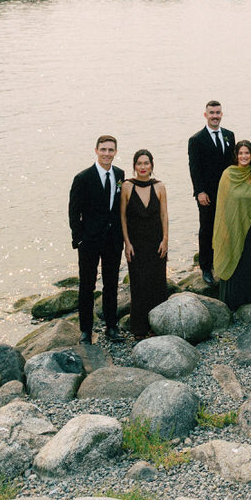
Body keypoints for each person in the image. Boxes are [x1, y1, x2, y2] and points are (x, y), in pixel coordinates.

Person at [68, 135, 126, 344]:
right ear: (96, 150)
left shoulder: (120, 174)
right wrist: (79, 240)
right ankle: (85, 330)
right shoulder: (82, 178)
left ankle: (111, 326)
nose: (107, 154)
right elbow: (73, 212)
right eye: (103, 150)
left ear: (115, 152)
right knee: (87, 286)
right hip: (89, 241)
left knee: (111, 284)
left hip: (112, 241)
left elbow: (119, 207)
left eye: (111, 150)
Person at [212, 141, 251, 311]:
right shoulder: (228, 175)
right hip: (235, 225)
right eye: (240, 153)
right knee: (239, 261)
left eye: (247, 153)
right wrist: (227, 230)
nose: (244, 156)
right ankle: (237, 299)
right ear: (236, 156)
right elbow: (223, 206)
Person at [119, 149, 169, 339]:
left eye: (146, 163)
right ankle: (139, 328)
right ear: (134, 166)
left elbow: (164, 215)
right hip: (136, 244)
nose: (142, 167)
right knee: (139, 285)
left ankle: (159, 325)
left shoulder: (159, 186)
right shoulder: (127, 187)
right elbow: (122, 217)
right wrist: (127, 243)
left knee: (158, 283)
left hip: (156, 242)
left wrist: (165, 240)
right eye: (139, 163)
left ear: (151, 166)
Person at [188, 101, 236, 286]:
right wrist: (199, 191)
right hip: (206, 194)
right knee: (206, 229)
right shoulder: (197, 139)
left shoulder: (229, 135)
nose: (215, 115)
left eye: (217, 112)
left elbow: (232, 163)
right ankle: (206, 267)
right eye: (211, 113)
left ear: (221, 114)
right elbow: (194, 168)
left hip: (227, 192)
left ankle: (223, 261)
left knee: (225, 228)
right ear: (205, 115)